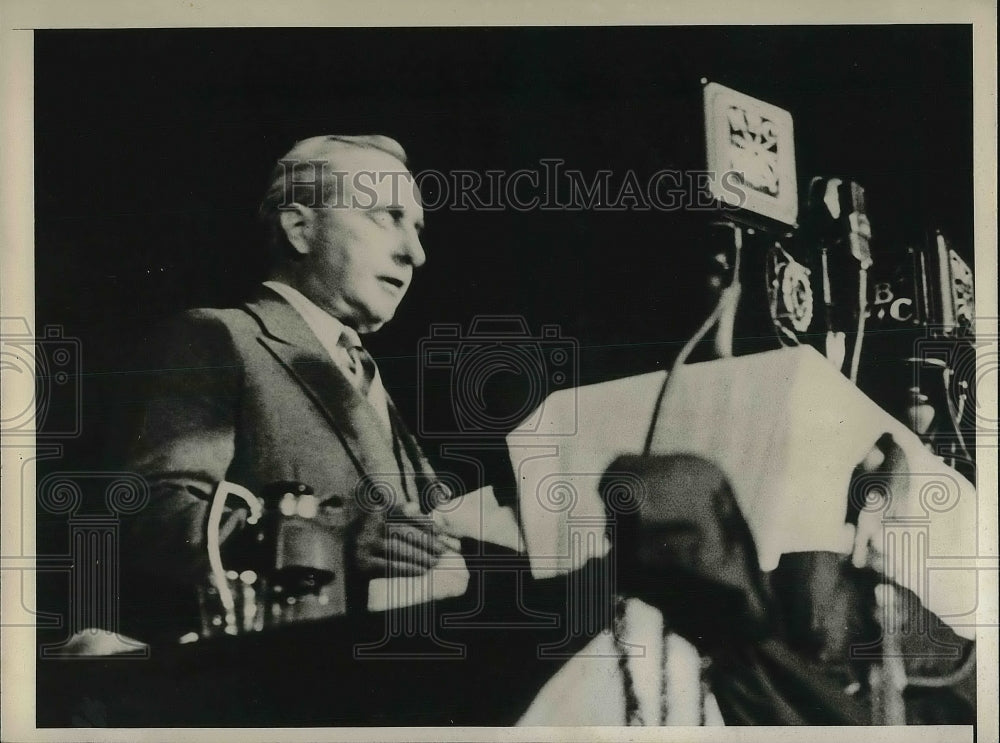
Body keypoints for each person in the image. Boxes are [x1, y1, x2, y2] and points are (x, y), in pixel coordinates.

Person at [121, 135, 456, 621]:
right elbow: (152, 515)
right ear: (300, 229)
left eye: (417, 228)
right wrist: (331, 546)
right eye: (386, 216)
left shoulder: (363, 373)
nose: (415, 253)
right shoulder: (217, 338)